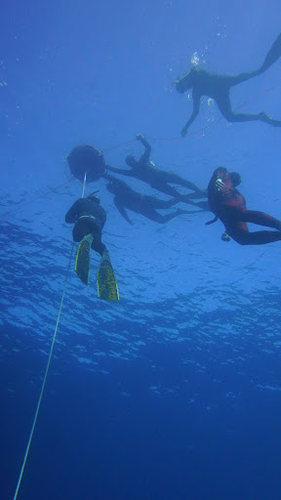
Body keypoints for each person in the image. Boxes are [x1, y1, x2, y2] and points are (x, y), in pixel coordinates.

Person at [174, 31, 281, 136]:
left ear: (184, 81)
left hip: (222, 82)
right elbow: (195, 113)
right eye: (183, 90)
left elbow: (192, 71)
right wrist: (186, 128)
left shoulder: (194, 72)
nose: (185, 89)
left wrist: (180, 80)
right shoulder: (195, 92)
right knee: (230, 117)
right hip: (220, 93)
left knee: (256, 72)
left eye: (182, 87)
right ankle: (259, 117)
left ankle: (266, 63)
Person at [106, 134, 206, 201]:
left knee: (181, 184)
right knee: (177, 192)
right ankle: (198, 195)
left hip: (158, 180)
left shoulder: (139, 165)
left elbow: (148, 148)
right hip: (159, 180)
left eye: (131, 160)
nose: (132, 162)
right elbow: (118, 171)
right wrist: (141, 139)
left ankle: (199, 192)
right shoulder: (139, 165)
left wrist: (142, 139)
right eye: (130, 161)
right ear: (131, 162)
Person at [207, 166, 281, 245]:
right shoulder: (223, 180)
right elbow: (221, 169)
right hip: (230, 213)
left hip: (229, 214)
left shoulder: (235, 192)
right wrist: (218, 178)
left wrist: (227, 232)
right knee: (243, 239)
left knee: (243, 237)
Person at [65, 192, 119, 300]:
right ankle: (104, 253)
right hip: (97, 229)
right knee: (99, 245)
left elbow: (68, 218)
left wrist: (75, 219)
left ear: (89, 198)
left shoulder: (81, 201)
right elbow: (100, 230)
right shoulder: (103, 211)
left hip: (82, 222)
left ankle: (86, 239)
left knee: (78, 237)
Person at [105, 174, 199, 224]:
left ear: (114, 186)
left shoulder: (122, 187)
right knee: (161, 220)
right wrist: (128, 220)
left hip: (145, 200)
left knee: (167, 205)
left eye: (111, 188)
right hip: (143, 210)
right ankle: (178, 212)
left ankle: (186, 196)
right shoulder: (116, 200)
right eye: (110, 190)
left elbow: (115, 179)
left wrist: (105, 175)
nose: (111, 190)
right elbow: (122, 211)